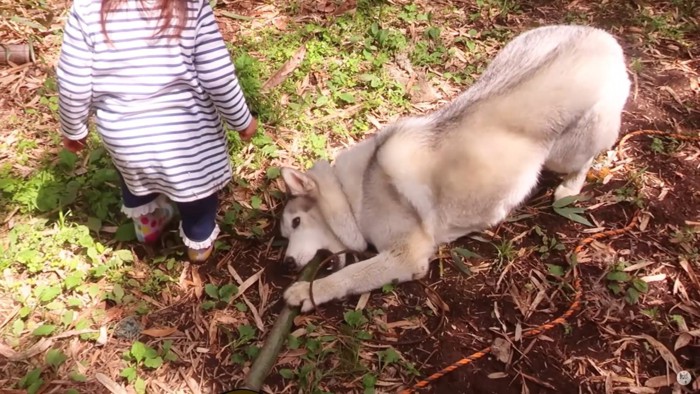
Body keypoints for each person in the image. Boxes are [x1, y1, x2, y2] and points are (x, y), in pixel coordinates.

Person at [56, 0, 257, 263]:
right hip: (188, 135)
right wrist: (241, 120)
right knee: (197, 194)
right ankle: (198, 243)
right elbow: (217, 75)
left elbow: (73, 84)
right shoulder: (191, 5)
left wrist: (74, 129)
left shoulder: (87, 8)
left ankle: (149, 227)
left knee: (135, 176)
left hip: (125, 136)